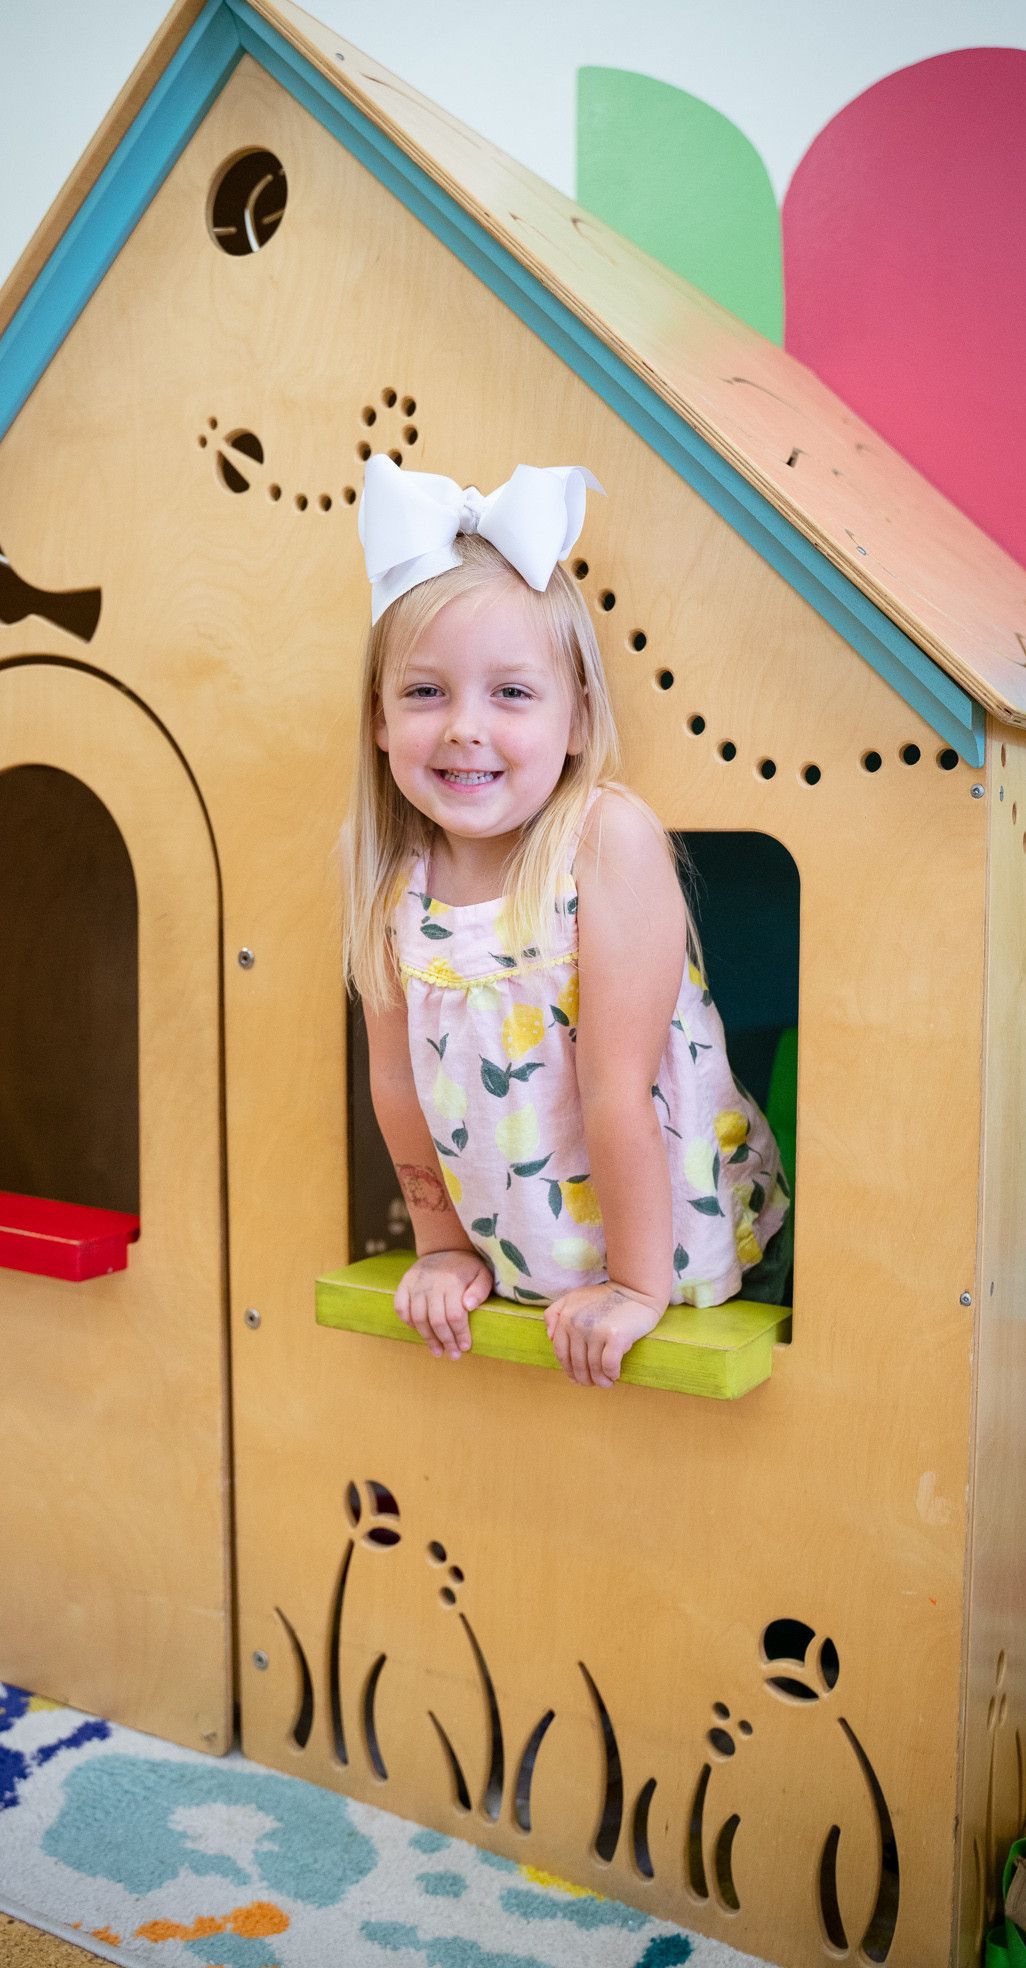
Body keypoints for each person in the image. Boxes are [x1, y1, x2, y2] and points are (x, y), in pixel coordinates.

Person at [343, 455, 790, 1389]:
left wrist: (636, 1285)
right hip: (525, 1266)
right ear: (379, 721)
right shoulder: (390, 875)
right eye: (426, 693)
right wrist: (439, 1249)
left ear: (577, 718)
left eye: (511, 693)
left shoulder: (605, 841)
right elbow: (396, 1085)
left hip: (683, 1249)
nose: (465, 726)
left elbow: (616, 1091)